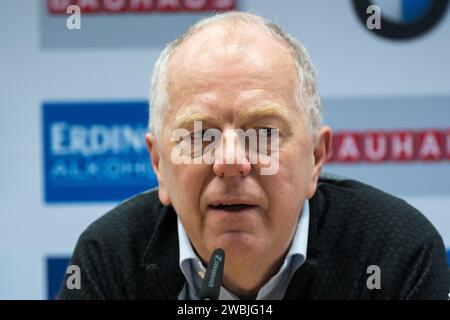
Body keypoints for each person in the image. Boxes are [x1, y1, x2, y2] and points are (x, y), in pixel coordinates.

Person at [59, 12, 449, 300]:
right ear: (158, 164)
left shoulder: (394, 252)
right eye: (199, 134)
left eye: (263, 133)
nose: (230, 160)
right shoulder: (108, 260)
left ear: (315, 158)